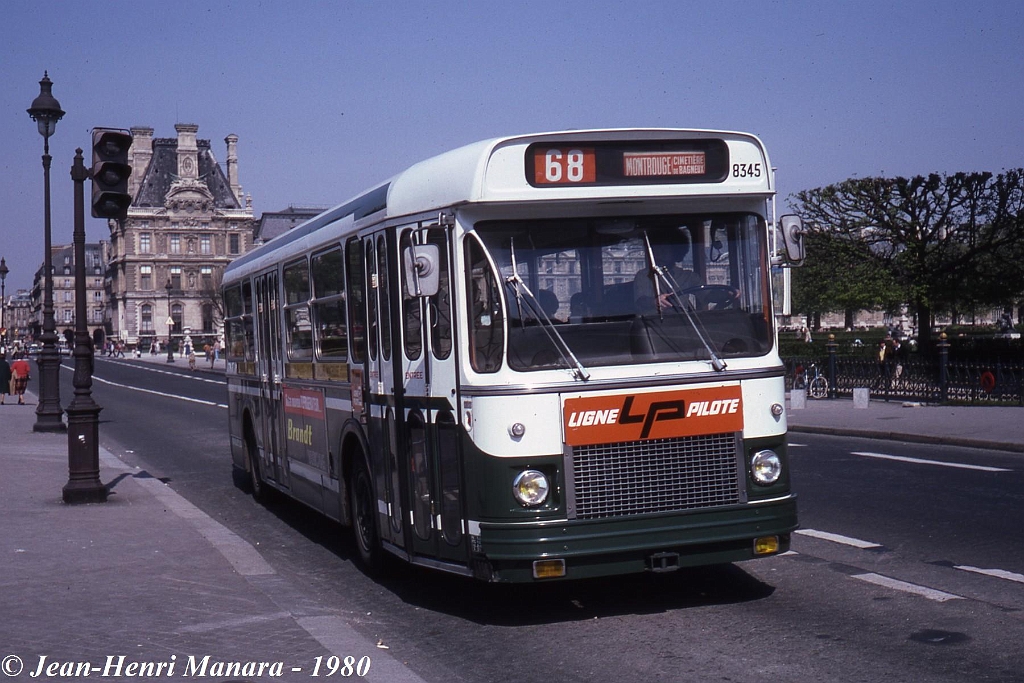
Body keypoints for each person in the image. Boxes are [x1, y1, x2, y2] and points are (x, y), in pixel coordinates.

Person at [633, 242, 701, 314]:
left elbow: (707, 294)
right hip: (653, 322)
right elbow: (640, 300)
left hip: (683, 322)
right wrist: (654, 301)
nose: (660, 253)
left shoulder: (688, 276)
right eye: (657, 249)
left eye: (664, 249)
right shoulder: (643, 275)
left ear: (675, 251)